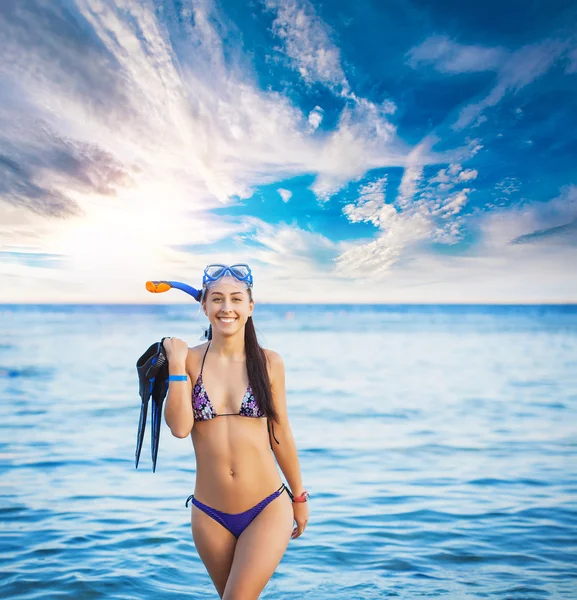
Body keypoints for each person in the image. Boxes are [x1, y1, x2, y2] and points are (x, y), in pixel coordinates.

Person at [163, 264, 309, 599]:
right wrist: (174, 363)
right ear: (204, 307)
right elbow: (181, 428)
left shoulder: (269, 362)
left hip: (266, 507)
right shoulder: (187, 361)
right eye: (217, 299)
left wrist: (299, 496)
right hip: (209, 514)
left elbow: (281, 432)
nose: (226, 307)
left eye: (235, 299)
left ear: (249, 307)